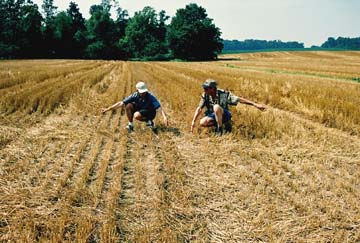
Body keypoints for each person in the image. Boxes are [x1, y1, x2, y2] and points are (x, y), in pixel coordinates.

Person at [191, 79, 266, 135]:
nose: (204, 90)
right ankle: (220, 125)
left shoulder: (223, 94)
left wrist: (255, 104)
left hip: (225, 115)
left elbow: (238, 99)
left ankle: (219, 130)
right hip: (213, 115)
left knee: (216, 107)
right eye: (204, 88)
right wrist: (193, 122)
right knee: (202, 122)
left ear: (212, 88)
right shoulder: (205, 95)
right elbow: (199, 108)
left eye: (206, 88)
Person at [101, 81, 168, 131]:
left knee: (136, 115)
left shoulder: (150, 96)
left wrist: (164, 117)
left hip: (150, 112)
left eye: (144, 92)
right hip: (141, 109)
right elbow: (121, 103)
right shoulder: (134, 95)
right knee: (128, 105)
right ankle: (130, 124)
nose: (143, 93)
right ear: (137, 91)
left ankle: (149, 121)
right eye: (141, 92)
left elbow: (159, 107)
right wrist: (107, 109)